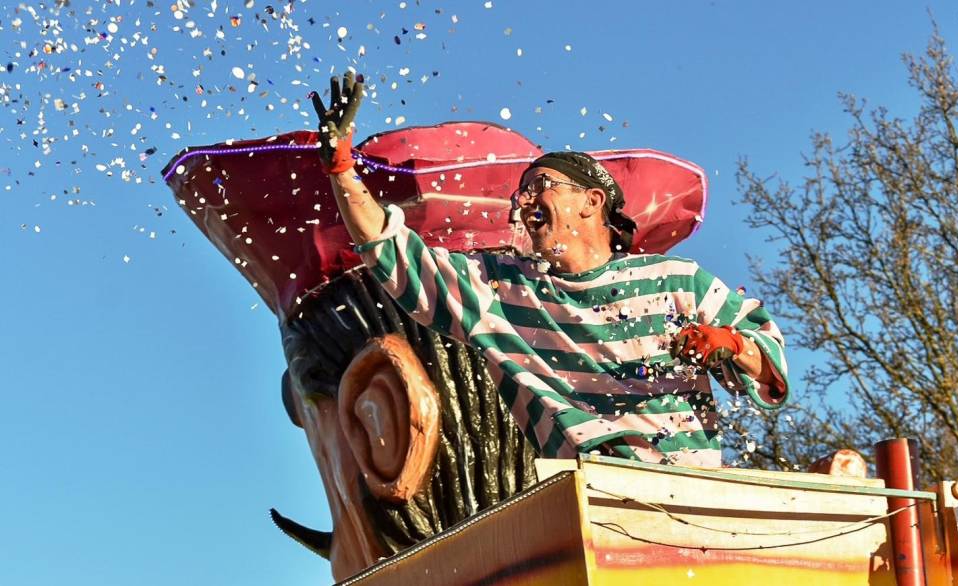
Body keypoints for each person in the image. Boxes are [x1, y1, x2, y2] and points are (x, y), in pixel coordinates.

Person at [311, 72, 789, 467]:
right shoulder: (499, 289)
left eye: (540, 185)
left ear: (591, 201)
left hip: (690, 489)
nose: (523, 201)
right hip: (584, 491)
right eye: (520, 193)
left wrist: (731, 343)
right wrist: (340, 169)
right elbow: (393, 253)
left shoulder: (676, 280)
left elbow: (771, 371)